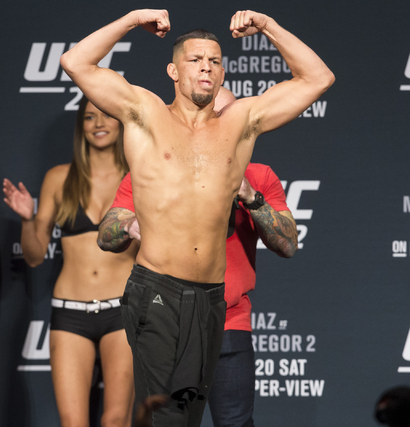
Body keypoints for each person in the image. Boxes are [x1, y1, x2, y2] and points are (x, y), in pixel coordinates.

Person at [60, 9, 334, 426]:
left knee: (190, 416)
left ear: (223, 73)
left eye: (214, 61)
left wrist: (267, 26)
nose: (206, 67)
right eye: (195, 59)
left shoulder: (241, 122)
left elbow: (318, 78)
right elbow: (75, 62)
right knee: (167, 418)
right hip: (157, 290)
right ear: (173, 70)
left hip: (211, 298)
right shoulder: (144, 112)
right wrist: (132, 19)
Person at [98, 162, 298, 427]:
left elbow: (288, 244)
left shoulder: (257, 175)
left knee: (235, 423)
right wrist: (129, 225)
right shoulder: (153, 167)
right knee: (166, 422)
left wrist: (251, 197)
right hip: (168, 323)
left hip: (229, 322)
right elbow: (106, 235)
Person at [3, 96, 136, 427]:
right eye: (89, 117)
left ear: (121, 122)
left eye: (107, 115)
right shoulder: (59, 178)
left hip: (123, 310)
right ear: (81, 127)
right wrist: (27, 219)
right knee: (73, 422)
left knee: (116, 420)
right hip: (70, 311)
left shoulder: (138, 176)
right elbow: (34, 256)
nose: (99, 123)